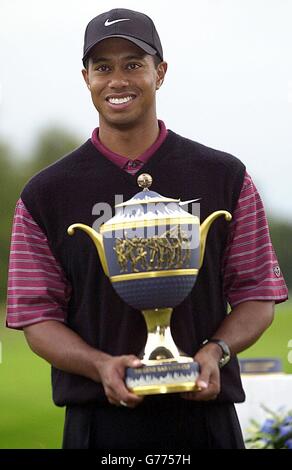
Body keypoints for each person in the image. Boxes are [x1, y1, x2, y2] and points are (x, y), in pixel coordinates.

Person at [6, 8, 288, 450]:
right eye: (103, 67)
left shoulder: (225, 177)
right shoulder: (45, 194)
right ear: (86, 78)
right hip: (98, 424)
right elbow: (36, 315)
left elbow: (256, 294)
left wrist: (215, 352)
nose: (118, 80)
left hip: (206, 420)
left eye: (133, 64)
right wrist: (100, 365)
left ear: (160, 72)